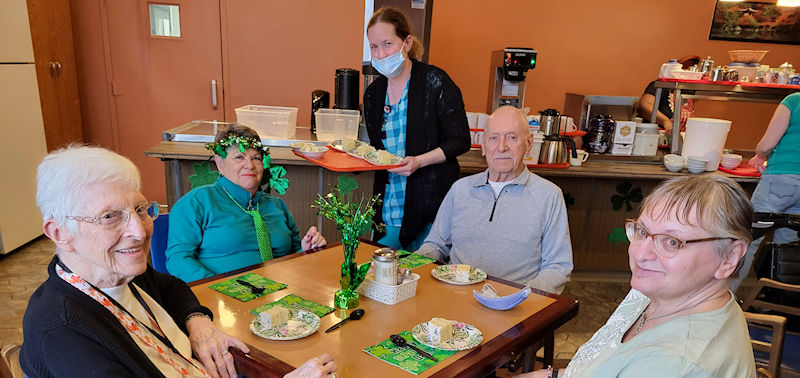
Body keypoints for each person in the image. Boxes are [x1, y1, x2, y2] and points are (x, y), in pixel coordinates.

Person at [21, 146, 337, 378]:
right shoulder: (63, 332)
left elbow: (171, 286)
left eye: (141, 210)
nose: (138, 231)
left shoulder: (118, 274)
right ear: (60, 232)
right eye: (110, 217)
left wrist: (197, 321)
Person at [516, 174, 756, 378]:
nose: (640, 254)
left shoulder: (675, 364)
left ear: (730, 257)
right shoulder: (660, 291)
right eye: (642, 231)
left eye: (672, 241)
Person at [415, 106, 573, 294]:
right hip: (453, 296)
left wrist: (520, 298)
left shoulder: (549, 195)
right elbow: (435, 245)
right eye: (493, 138)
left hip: (514, 305)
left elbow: (558, 267)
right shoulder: (461, 189)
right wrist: (407, 265)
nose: (501, 147)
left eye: (512, 137)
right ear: (483, 145)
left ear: (529, 144)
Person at [363, 6, 471, 250]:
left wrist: (419, 161)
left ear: (407, 42)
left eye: (388, 44)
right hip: (389, 206)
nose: (380, 54)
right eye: (374, 46)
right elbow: (377, 149)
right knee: (383, 277)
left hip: (431, 205)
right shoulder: (373, 94)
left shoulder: (435, 82)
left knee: (424, 276)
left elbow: (460, 139)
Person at [166, 124, 326, 282]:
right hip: (223, 299)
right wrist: (218, 288)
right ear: (220, 163)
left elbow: (294, 255)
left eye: (256, 158)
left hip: (281, 292)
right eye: (239, 157)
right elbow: (178, 260)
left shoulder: (277, 206)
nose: (250, 165)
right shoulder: (197, 202)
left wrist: (307, 250)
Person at [733, 92, 800, 290]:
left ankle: (725, 300)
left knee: (748, 238)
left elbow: (767, 144)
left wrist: (759, 154)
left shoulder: (794, 100)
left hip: (781, 178)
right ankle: (776, 300)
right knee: (785, 244)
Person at [636, 55, 699, 134]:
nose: (687, 71)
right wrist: (665, 121)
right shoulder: (662, 86)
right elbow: (644, 105)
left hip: (679, 137)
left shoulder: (688, 91)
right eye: (684, 68)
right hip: (657, 135)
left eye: (691, 69)